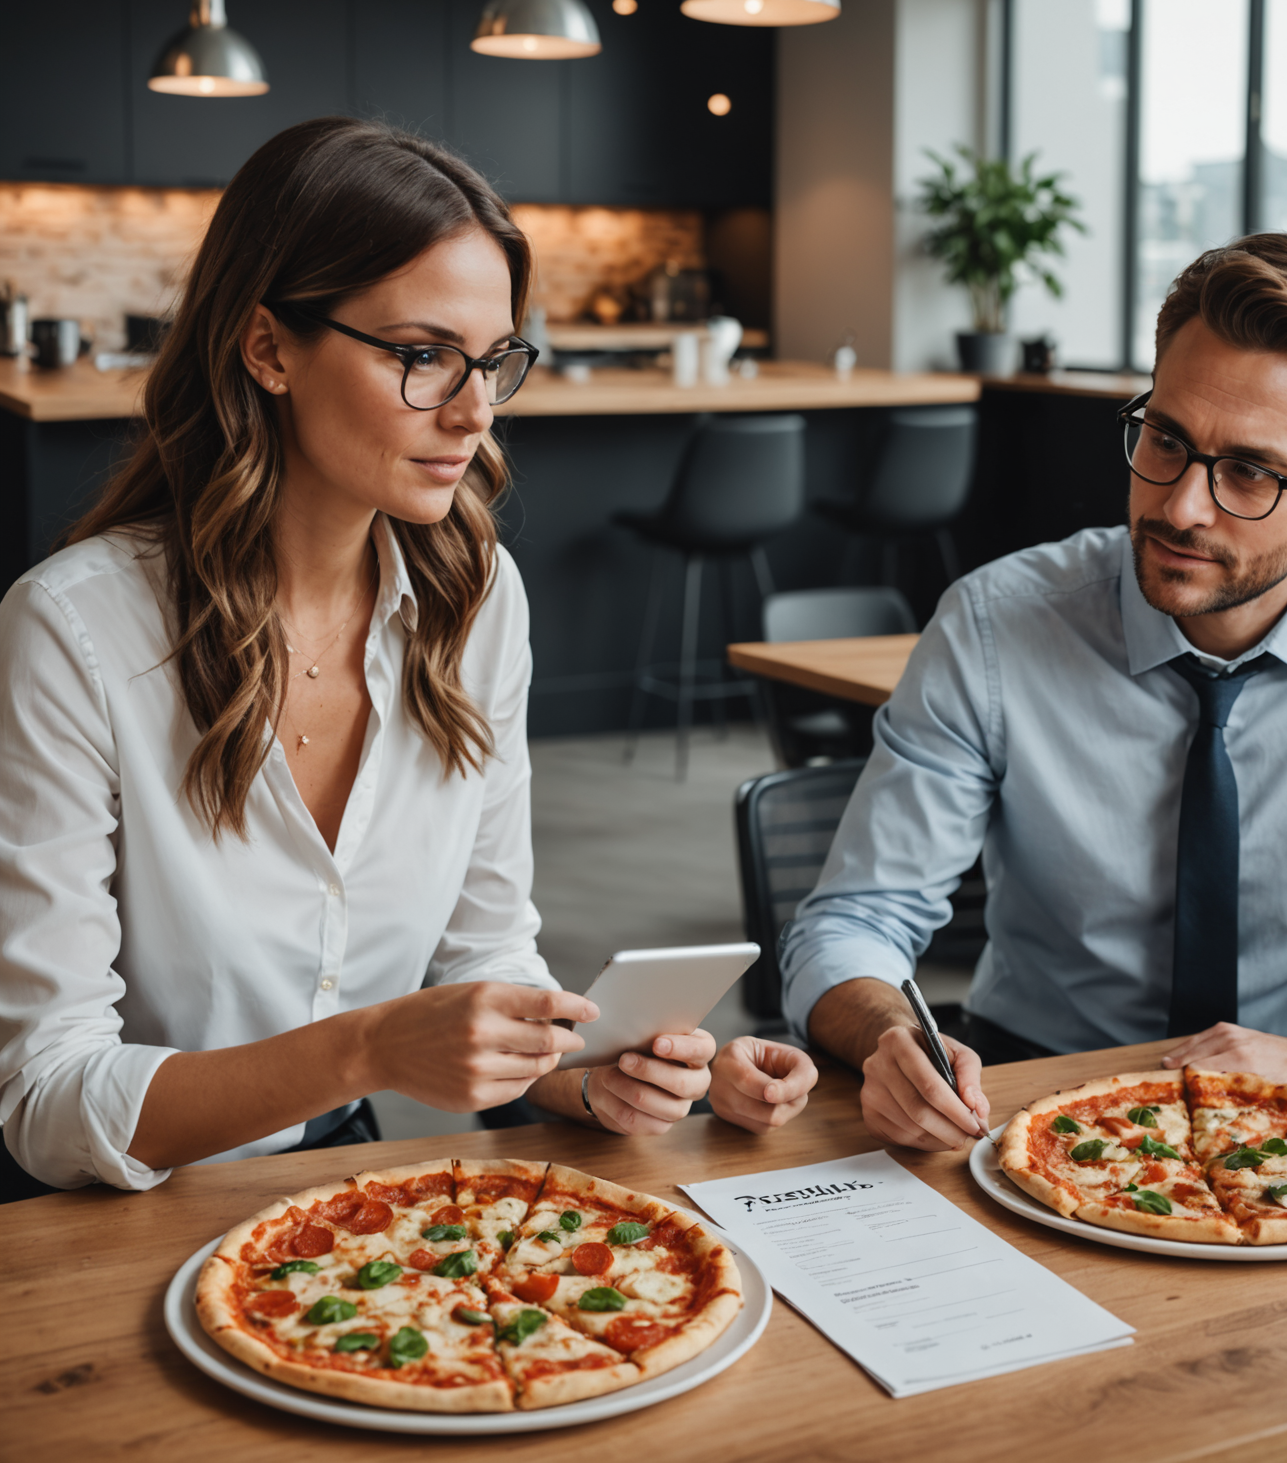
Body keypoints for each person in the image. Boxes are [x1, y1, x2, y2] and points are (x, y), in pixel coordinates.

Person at [0, 117, 812, 1199]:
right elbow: (48, 1105)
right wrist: (368, 1050)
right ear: (268, 348)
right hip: (95, 1212)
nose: (475, 412)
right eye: (424, 356)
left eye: (493, 361)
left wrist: (594, 1071)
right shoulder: (75, 631)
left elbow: (488, 954)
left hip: (336, 1184)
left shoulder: (474, 604)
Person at [781, 233, 1287, 1153]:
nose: (1180, 505)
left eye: (1251, 472)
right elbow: (855, 921)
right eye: (1165, 441)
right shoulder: (994, 624)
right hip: (1028, 1091)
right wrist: (893, 1037)